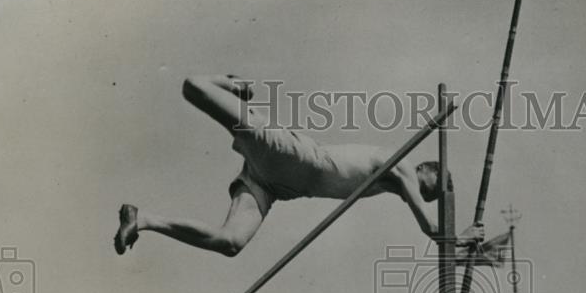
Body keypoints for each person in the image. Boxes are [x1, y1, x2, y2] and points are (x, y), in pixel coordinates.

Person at [113, 73, 484, 257]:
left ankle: (143, 218)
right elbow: (432, 230)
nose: (421, 196)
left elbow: (430, 225)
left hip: (278, 186)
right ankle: (229, 83)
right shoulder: (401, 165)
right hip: (288, 154)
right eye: (429, 189)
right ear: (425, 169)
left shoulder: (397, 184)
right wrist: (461, 237)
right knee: (194, 87)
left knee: (231, 242)